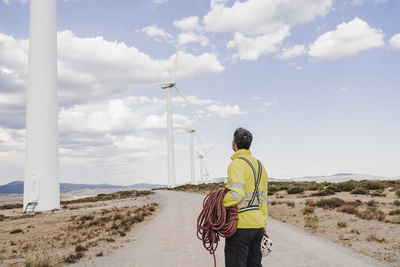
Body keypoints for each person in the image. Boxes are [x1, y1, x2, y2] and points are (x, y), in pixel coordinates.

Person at [223, 127, 268, 267]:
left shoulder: (236, 164)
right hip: (258, 226)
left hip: (240, 226)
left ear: (234, 144)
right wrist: (264, 225)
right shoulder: (261, 166)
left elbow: (237, 194)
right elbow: (263, 199)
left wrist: (219, 202)